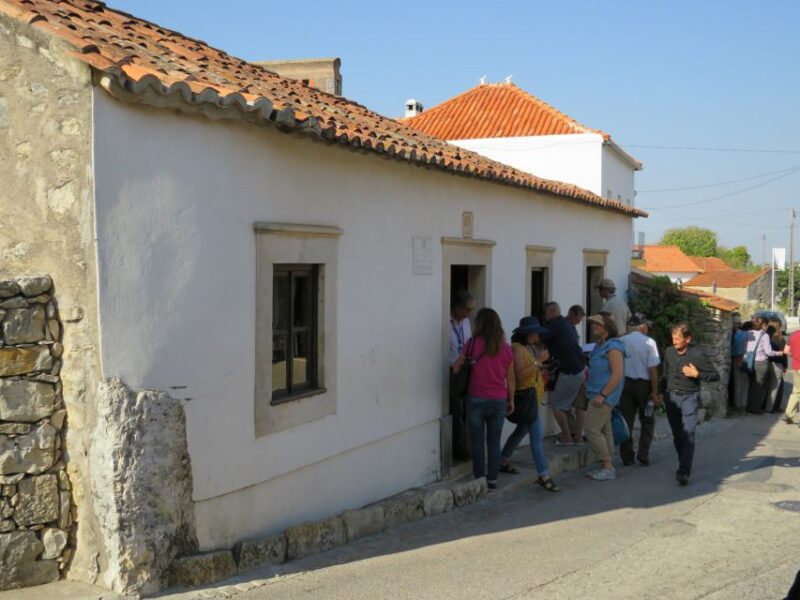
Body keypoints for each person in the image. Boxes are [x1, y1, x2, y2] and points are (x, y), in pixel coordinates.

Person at [453, 308, 515, 490]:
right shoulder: (506, 348)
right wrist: (512, 400)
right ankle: (493, 479)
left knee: (477, 441)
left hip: (476, 399)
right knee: (494, 441)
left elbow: (457, 368)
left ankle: (480, 478)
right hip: (498, 400)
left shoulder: (472, 344)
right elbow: (510, 378)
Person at [498, 317, 561, 492]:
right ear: (529, 334)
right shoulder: (518, 350)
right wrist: (539, 361)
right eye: (536, 331)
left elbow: (529, 370)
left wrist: (542, 367)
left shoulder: (526, 348)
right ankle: (544, 475)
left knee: (522, 430)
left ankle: (503, 459)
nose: (539, 334)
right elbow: (520, 375)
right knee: (537, 437)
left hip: (531, 397)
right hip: (526, 397)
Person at [658, 323, 719, 486]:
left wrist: (697, 374)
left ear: (688, 339)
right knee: (678, 435)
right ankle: (683, 460)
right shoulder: (669, 352)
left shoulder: (697, 354)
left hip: (689, 397)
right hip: (671, 397)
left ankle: (684, 471)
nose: (675, 341)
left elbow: (715, 375)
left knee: (688, 433)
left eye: (678, 338)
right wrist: (658, 393)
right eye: (673, 338)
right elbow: (664, 374)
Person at [584, 314, 625, 481]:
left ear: (607, 327)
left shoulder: (614, 346)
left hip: (602, 396)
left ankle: (607, 466)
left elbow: (617, 374)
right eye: (593, 324)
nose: (594, 327)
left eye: (598, 325)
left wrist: (603, 395)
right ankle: (608, 466)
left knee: (592, 430)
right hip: (596, 394)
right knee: (605, 429)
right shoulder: (600, 345)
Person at [544, 302, 587, 445]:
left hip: (570, 371)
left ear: (552, 311)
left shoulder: (556, 324)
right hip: (580, 369)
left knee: (557, 406)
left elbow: (538, 338)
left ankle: (567, 438)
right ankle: (578, 437)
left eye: (546, 313)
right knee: (576, 405)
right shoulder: (567, 326)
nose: (546, 317)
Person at [619, 314, 660, 466]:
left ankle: (626, 455)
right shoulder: (649, 342)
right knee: (648, 420)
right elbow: (653, 369)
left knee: (626, 421)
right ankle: (643, 453)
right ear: (643, 327)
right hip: (644, 386)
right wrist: (654, 391)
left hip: (625, 385)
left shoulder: (621, 341)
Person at [448, 290, 475, 460]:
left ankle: (467, 446)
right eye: (467, 309)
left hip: (466, 369)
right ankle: (459, 449)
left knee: (468, 410)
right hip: (452, 371)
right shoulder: (445, 321)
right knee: (457, 411)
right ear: (457, 308)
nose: (469, 313)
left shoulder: (466, 322)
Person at [745, 316, 783, 414]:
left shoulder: (749, 333)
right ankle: (755, 408)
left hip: (750, 361)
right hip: (761, 363)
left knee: (753, 385)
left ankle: (748, 406)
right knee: (760, 387)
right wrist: (779, 353)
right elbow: (769, 352)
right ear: (764, 325)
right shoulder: (764, 335)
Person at [729, 313, 749, 415]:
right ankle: (740, 406)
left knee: (739, 383)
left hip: (735, 360)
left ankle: (739, 405)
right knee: (741, 384)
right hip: (739, 360)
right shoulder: (741, 334)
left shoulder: (738, 333)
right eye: (737, 323)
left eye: (740, 323)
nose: (738, 324)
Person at [767, 320, 787, 413]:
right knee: (776, 387)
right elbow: (784, 354)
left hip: (768, 363)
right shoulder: (780, 339)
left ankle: (767, 407)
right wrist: (785, 366)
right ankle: (771, 408)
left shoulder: (767, 337)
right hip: (777, 364)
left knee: (769, 386)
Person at [782, 327, 800, 424]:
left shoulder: (793, 335)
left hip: (796, 366)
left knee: (796, 391)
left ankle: (788, 414)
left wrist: (795, 355)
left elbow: (786, 351)